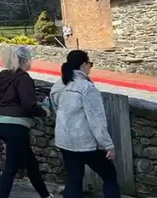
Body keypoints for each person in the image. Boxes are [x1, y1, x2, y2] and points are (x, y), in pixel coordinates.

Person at [49, 50, 119, 198]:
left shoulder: (58, 85)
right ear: (83, 65)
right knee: (109, 175)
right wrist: (107, 145)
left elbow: (56, 108)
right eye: (90, 64)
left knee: (74, 179)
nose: (90, 68)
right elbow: (96, 120)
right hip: (85, 141)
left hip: (64, 140)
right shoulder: (87, 88)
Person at [0, 45, 52, 198]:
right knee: (11, 167)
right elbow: (28, 104)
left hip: (1, 123)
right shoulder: (23, 78)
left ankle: (45, 195)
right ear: (24, 60)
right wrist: (44, 112)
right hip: (17, 125)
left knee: (30, 163)